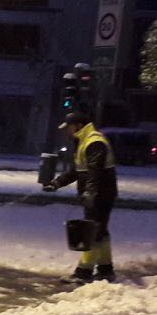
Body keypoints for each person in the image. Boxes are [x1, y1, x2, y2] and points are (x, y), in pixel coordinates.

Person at [43, 109, 117, 282]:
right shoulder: (84, 141)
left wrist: (90, 192)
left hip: (100, 194)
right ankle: (106, 269)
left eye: (69, 127)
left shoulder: (94, 142)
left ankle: (83, 273)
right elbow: (78, 170)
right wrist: (57, 183)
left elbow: (95, 171)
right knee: (100, 230)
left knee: (91, 231)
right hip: (97, 193)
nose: (67, 131)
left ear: (78, 126)